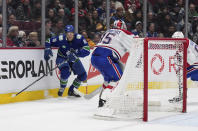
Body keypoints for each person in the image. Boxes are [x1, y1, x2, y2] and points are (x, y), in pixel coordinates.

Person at [91, 20, 136, 107]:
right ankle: (103, 100)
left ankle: (101, 98)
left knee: (108, 79)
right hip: (105, 57)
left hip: (94, 57)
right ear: (124, 27)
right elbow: (136, 43)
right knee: (118, 79)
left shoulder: (108, 31)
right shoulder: (125, 33)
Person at [44, 25, 90, 97]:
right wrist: (47, 48)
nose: (69, 35)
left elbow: (87, 50)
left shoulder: (79, 38)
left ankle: (72, 90)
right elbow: (48, 40)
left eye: (71, 33)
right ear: (65, 33)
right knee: (65, 71)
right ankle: (62, 88)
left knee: (83, 76)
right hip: (62, 58)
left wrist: (77, 54)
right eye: (68, 33)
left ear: (73, 33)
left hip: (74, 58)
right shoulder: (61, 38)